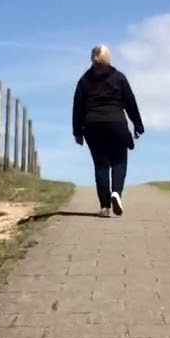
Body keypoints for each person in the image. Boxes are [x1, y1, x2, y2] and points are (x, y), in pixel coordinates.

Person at [72, 44, 144, 217]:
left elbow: (78, 107)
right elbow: (130, 102)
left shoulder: (84, 80)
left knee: (101, 165)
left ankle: (104, 207)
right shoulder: (119, 78)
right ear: (109, 58)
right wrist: (138, 125)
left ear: (92, 59)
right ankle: (116, 193)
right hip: (116, 123)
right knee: (119, 160)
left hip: (93, 126)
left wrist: (77, 132)